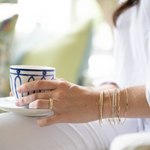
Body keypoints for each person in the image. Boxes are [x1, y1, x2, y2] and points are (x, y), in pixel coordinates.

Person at [0, 0, 150, 149]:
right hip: (130, 117)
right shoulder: (127, 4)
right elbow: (126, 76)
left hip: (137, 114)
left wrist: (96, 102)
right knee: (4, 130)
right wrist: (77, 95)